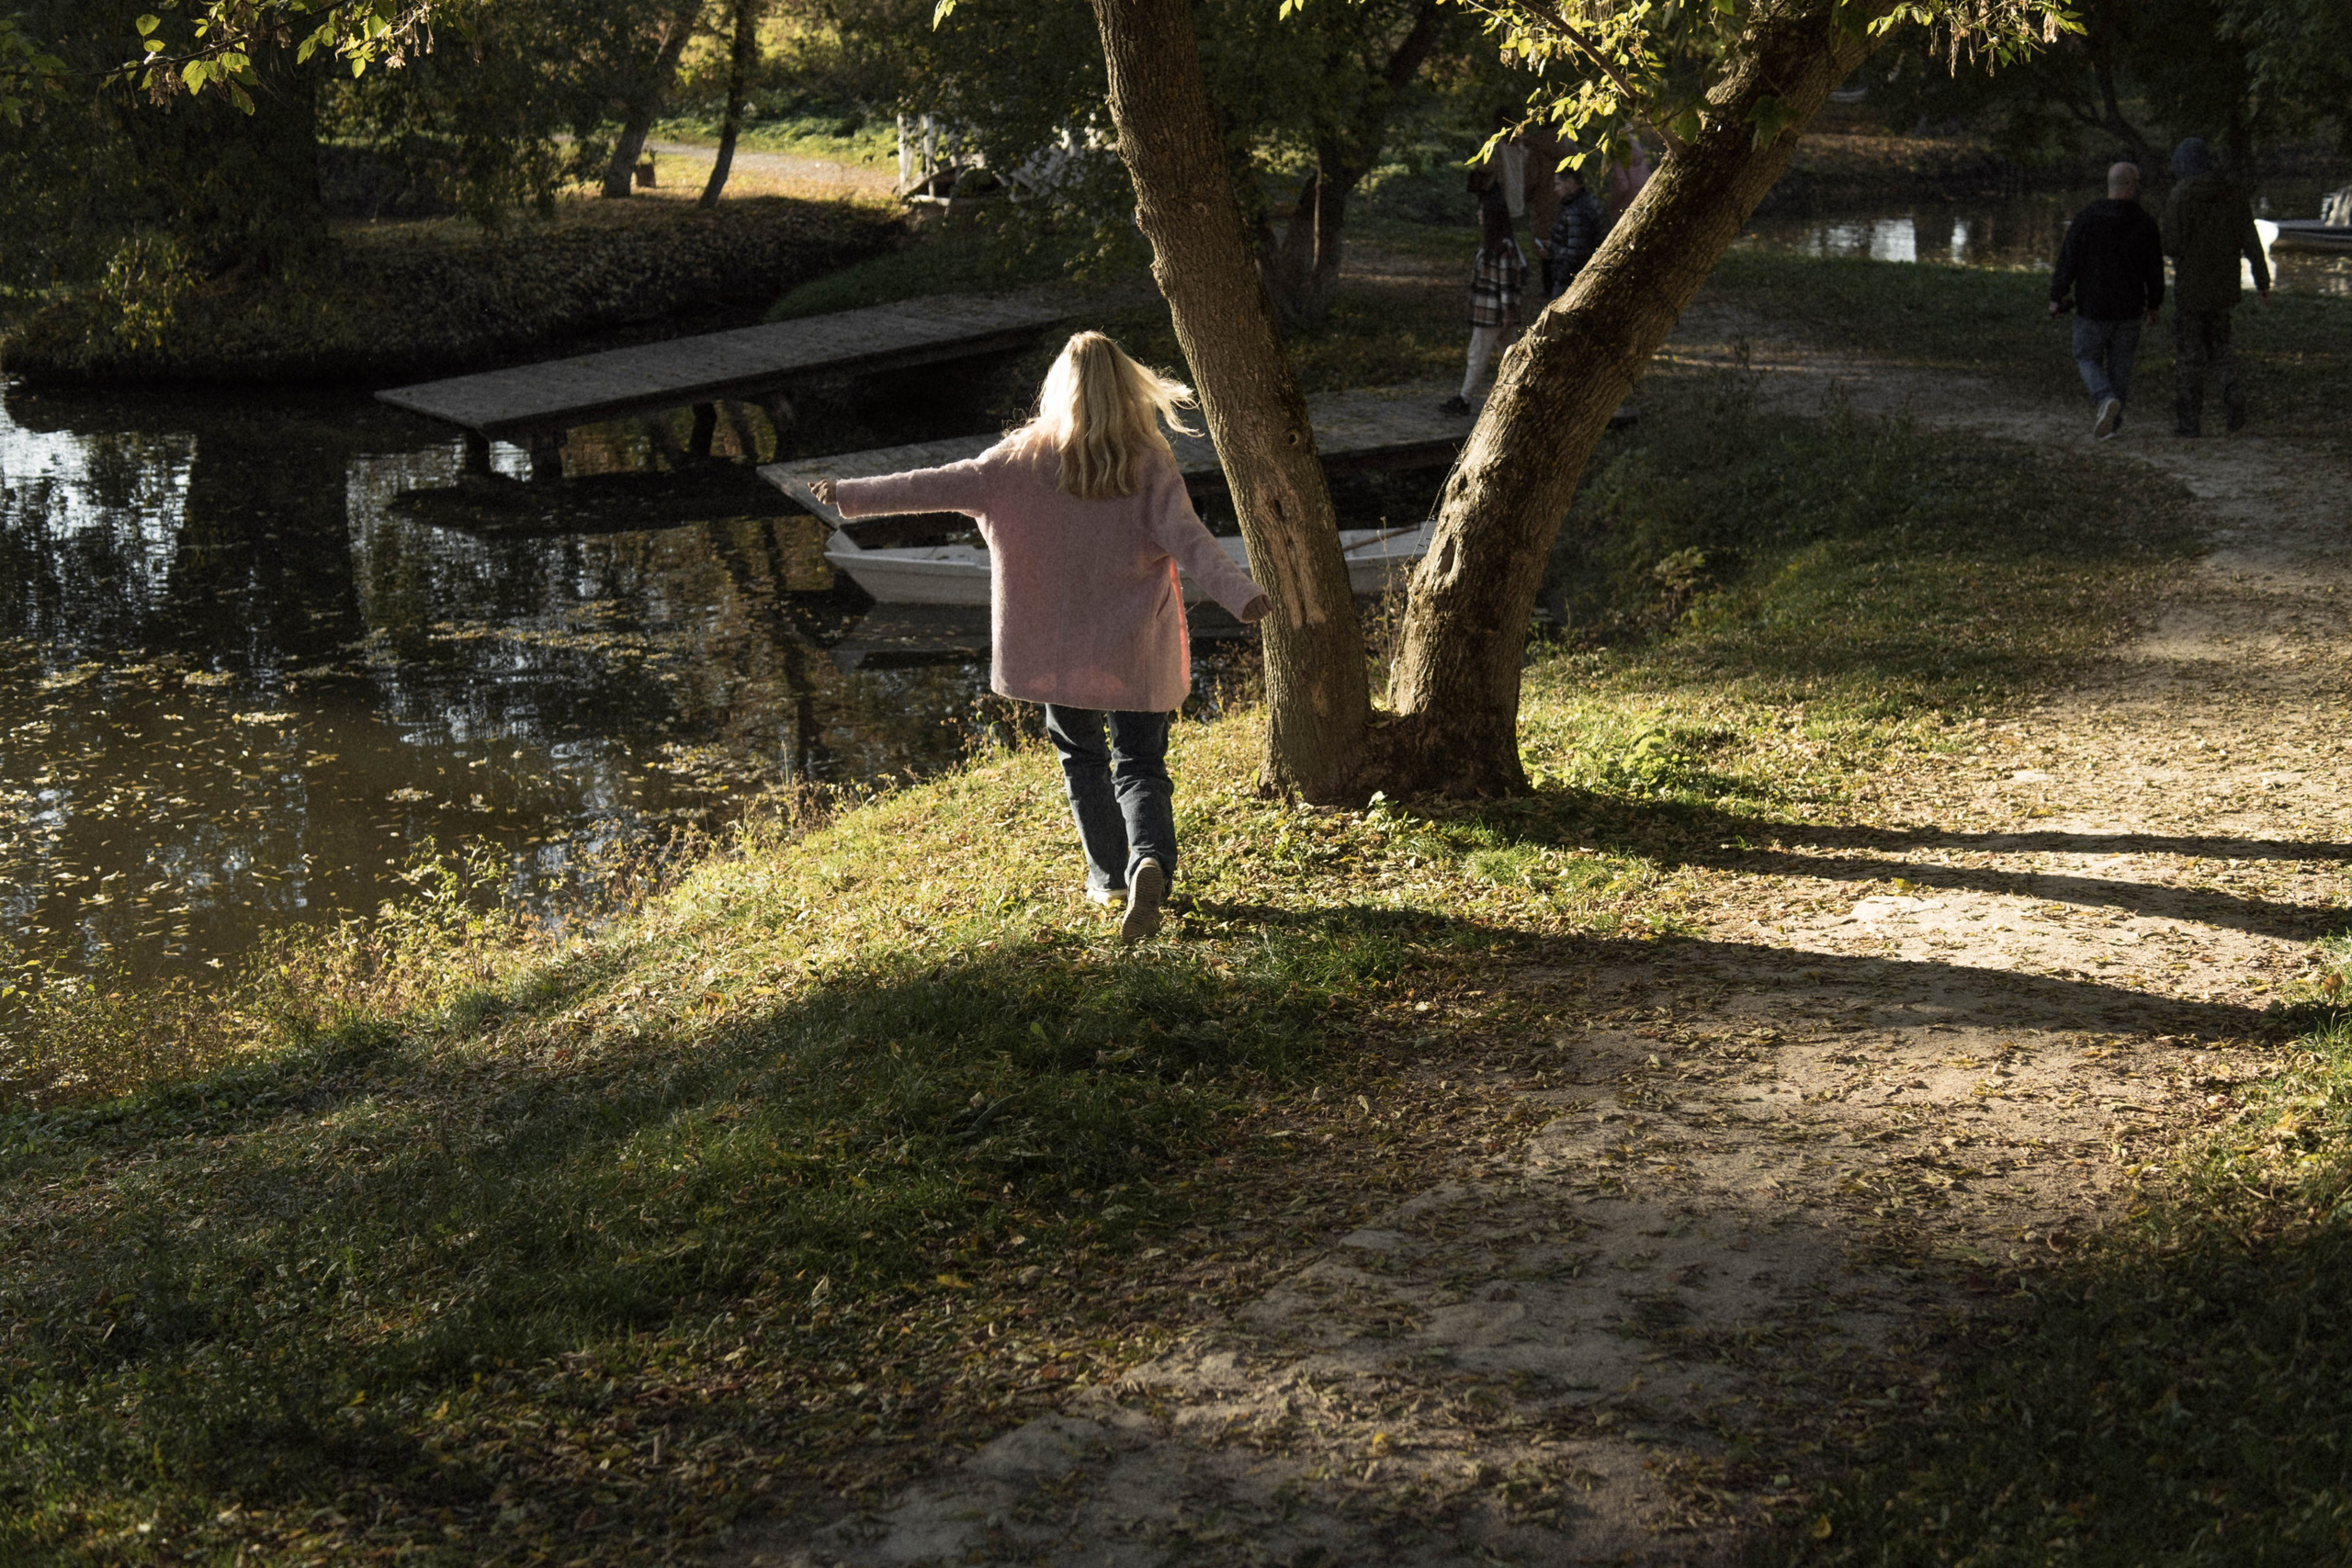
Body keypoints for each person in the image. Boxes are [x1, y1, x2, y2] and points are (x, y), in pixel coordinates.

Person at [808, 333, 1270, 942]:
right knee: (1140, 762)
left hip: (1058, 656)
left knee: (1082, 759)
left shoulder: (1018, 458)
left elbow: (934, 485)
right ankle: (1151, 860)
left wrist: (849, 494)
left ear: (1060, 388)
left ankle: (1109, 877)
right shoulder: (1146, 461)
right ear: (1128, 389)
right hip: (1133, 648)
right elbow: (1192, 543)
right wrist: (1242, 595)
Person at [2161, 135, 2270, 436]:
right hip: (2224, 288)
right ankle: (2232, 394)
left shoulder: (2180, 196)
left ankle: (2189, 421)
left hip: (2191, 289)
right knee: (2221, 347)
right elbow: (2251, 242)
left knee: (2189, 355)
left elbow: (2170, 243)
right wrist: (2262, 281)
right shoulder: (2234, 194)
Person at [2048, 161, 2165, 440]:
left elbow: (2068, 260)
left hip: (2093, 306)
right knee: (2121, 365)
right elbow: (2154, 268)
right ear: (2131, 185)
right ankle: (2112, 422)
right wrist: (2154, 303)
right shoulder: (2144, 222)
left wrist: (2057, 295)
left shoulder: (2087, 218)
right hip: (2129, 307)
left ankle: (2103, 399)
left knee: (2086, 356)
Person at [1441, 189, 1526, 416]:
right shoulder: (1494, 245)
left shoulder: (1503, 247)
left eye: (1482, 211)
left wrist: (1508, 312)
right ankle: (1527, 390)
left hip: (1493, 314)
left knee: (1478, 354)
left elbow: (1507, 283)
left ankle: (1465, 398)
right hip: (1489, 311)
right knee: (1514, 354)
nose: (1478, 214)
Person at [1537, 164, 1604, 299]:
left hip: (1572, 281)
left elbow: (1577, 253)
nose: (1556, 189)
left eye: (1558, 184)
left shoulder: (1577, 210)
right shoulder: (1586, 202)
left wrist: (1553, 249)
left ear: (1570, 182)